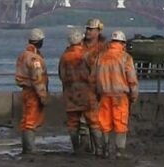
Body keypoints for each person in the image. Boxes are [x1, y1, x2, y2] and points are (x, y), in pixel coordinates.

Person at [93, 28, 139, 159]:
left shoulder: (101, 57)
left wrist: (97, 93)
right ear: (123, 44)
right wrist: (134, 96)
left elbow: (93, 77)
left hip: (104, 95)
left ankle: (105, 149)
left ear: (111, 42)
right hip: (120, 96)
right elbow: (132, 79)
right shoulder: (126, 57)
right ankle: (119, 151)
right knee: (120, 123)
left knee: (104, 123)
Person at [58, 26, 93, 155]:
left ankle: (76, 148)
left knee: (72, 122)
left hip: (70, 93)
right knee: (85, 121)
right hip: (85, 93)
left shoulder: (65, 57)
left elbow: (61, 75)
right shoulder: (86, 55)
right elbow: (93, 74)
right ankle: (85, 147)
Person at [14, 28, 48, 156]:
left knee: (25, 120)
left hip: (25, 91)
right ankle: (30, 149)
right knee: (31, 121)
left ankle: (26, 148)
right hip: (33, 92)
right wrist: (43, 96)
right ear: (40, 41)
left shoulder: (23, 55)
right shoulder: (35, 59)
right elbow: (38, 78)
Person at [81, 18, 107, 155]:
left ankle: (99, 149)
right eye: (87, 29)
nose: (88, 32)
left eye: (91, 29)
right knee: (82, 122)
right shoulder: (79, 46)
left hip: (96, 90)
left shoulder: (103, 48)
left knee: (95, 121)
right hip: (80, 89)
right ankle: (86, 149)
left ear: (98, 31)